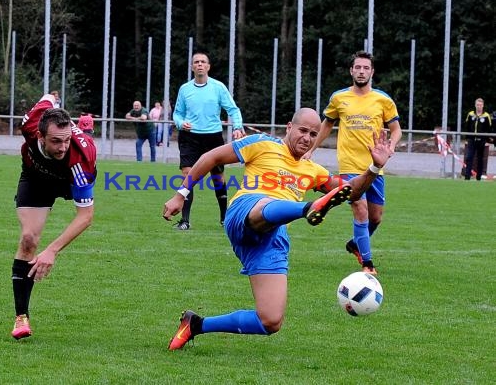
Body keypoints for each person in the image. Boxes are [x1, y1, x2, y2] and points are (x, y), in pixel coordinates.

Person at [162, 108, 393, 350]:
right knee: (266, 205)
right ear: (289, 127)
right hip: (246, 210)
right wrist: (181, 194)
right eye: (303, 130)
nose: (307, 138)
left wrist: (374, 168)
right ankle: (309, 208)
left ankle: (196, 325)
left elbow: (351, 191)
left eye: (314, 134)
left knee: (270, 320)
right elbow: (211, 157)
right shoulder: (262, 144)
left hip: (272, 238)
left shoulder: (312, 170)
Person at [305, 51, 402, 275]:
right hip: (349, 165)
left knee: (375, 217)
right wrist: (311, 149)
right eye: (357, 67)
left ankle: (355, 244)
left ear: (372, 72)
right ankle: (367, 264)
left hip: (375, 166)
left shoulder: (383, 99)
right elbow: (326, 125)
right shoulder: (339, 98)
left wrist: (391, 146)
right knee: (360, 209)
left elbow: (396, 129)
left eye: (365, 68)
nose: (361, 71)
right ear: (351, 71)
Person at [10, 93, 97, 340]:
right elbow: (47, 99)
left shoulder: (81, 159)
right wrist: (52, 96)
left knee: (81, 147)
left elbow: (86, 216)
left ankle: (86, 131)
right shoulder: (30, 125)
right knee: (28, 239)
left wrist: (52, 250)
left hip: (68, 180)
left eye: (66, 140)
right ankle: (21, 318)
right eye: (56, 141)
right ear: (40, 135)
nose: (62, 147)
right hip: (36, 177)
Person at [172, 50, 245, 230]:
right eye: (196, 62)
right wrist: (181, 123)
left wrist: (237, 127)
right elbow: (177, 114)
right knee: (188, 175)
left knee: (218, 177)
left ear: (208, 66)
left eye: (203, 62)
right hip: (190, 138)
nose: (199, 64)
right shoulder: (185, 89)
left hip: (213, 137)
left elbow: (233, 110)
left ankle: (224, 219)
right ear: (192, 67)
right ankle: (185, 221)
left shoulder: (218, 87)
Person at [463, 98, 492, 180]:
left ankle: (478, 178)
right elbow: (467, 127)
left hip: (481, 141)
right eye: (477, 105)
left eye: (480, 105)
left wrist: (487, 140)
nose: (479, 106)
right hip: (471, 140)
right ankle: (467, 177)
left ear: (483, 106)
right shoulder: (470, 114)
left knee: (480, 159)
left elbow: (489, 129)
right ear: (475, 105)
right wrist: (467, 138)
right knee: (469, 158)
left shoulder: (486, 116)